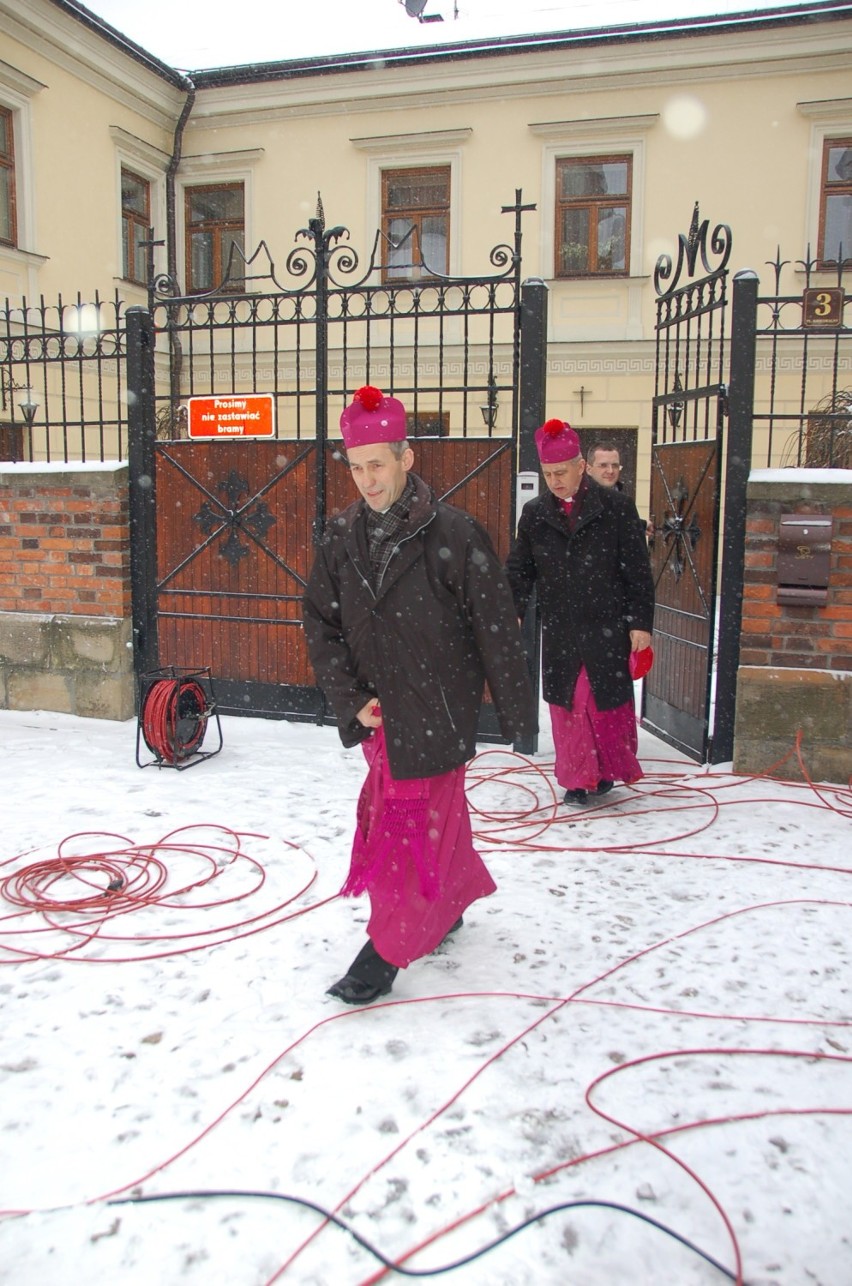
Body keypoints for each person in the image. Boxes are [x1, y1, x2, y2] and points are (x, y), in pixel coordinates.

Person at [302, 385, 536, 1004]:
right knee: (434, 824)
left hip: (437, 715)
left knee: (404, 836)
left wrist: (519, 717)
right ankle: (449, 903)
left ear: (408, 458)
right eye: (356, 466)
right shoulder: (338, 537)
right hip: (378, 720)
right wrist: (350, 698)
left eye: (377, 464)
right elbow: (320, 627)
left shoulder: (456, 534)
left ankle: (383, 952)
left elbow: (496, 628)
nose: (367, 480)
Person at [506, 417, 654, 807]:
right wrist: (513, 608)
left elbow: (638, 570)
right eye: (548, 473)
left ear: (581, 467)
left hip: (608, 625)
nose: (554, 480)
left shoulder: (617, 508)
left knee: (602, 705)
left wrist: (641, 623)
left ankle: (604, 771)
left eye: (561, 472)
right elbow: (520, 568)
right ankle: (576, 778)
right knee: (569, 705)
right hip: (561, 627)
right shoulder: (536, 513)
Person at [586, 439, 654, 540]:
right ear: (588, 469)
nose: (610, 471)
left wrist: (638, 525)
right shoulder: (581, 498)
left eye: (615, 465)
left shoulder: (623, 501)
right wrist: (637, 525)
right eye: (603, 465)